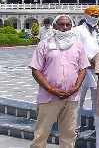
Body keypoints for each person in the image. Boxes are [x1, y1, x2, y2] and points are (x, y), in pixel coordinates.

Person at [29, 15, 89, 148]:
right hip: (49, 97)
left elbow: (82, 68)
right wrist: (51, 89)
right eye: (61, 24)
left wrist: (76, 87)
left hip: (71, 97)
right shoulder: (44, 45)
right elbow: (35, 70)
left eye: (68, 25)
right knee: (41, 134)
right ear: (54, 26)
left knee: (69, 134)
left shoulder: (77, 46)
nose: (64, 27)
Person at [75, 7, 99, 133]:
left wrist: (98, 60)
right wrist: (88, 60)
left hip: (97, 69)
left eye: (96, 16)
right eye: (92, 15)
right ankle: (75, 125)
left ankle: (97, 123)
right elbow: (76, 47)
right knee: (78, 99)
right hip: (82, 69)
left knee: (97, 99)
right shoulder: (77, 30)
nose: (94, 17)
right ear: (86, 15)